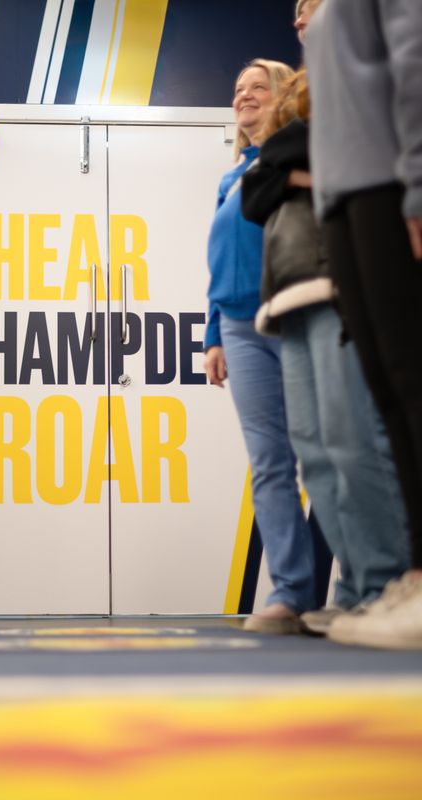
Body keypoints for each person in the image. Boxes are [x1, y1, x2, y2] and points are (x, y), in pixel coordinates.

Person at [240, 4, 410, 636]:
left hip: (335, 275)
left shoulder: (356, 72)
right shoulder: (306, 96)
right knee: (316, 452)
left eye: (310, 5)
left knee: (352, 439)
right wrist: (282, 166)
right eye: (295, 13)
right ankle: (362, 585)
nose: (301, 19)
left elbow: (322, 155)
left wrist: (282, 164)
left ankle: (386, 581)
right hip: (285, 293)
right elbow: (259, 190)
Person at [306, 0, 422, 649]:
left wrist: (419, 183)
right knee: (388, 386)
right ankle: (416, 576)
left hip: (390, 183)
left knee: (412, 380)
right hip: (345, 198)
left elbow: (415, 58)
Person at [204, 59, 317, 634]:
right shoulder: (231, 179)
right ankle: (292, 593)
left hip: (295, 316)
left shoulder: (300, 160)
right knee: (270, 464)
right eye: (237, 89)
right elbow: (219, 264)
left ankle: (352, 589)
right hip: (240, 329)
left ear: (285, 97)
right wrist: (214, 335)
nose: (244, 96)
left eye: (257, 87)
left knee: (325, 455)